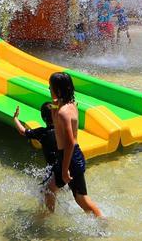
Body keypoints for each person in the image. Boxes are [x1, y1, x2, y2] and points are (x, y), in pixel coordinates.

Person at [47, 72, 104, 217]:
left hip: (70, 158)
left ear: (58, 90)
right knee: (50, 189)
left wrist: (65, 170)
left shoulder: (63, 113)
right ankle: (47, 217)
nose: (49, 89)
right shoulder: (70, 105)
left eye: (50, 87)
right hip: (69, 157)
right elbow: (57, 125)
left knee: (81, 199)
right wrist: (55, 107)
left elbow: (70, 143)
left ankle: (104, 224)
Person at [12, 102, 58, 208]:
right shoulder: (63, 129)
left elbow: (22, 131)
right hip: (66, 166)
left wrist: (15, 118)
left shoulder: (42, 133)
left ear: (43, 117)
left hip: (53, 170)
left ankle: (48, 214)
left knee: (45, 192)